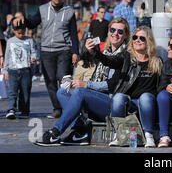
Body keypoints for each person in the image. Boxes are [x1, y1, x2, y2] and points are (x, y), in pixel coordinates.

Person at [34, 18, 129, 146]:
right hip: (95, 97)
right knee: (62, 92)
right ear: (108, 32)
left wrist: (85, 84)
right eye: (112, 30)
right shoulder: (106, 51)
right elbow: (96, 75)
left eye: (120, 31)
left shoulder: (124, 54)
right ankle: (80, 132)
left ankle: (55, 132)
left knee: (80, 91)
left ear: (126, 35)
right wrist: (73, 82)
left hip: (110, 102)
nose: (115, 34)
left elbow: (111, 84)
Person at [14, 0, 79, 119]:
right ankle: (57, 109)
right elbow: (32, 24)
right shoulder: (42, 9)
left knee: (63, 78)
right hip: (46, 50)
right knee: (50, 81)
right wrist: (23, 19)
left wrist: (75, 52)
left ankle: (67, 107)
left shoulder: (69, 11)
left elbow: (74, 33)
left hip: (64, 50)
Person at [95, 26, 162, 148]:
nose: (137, 40)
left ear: (149, 42)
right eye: (135, 37)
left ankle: (149, 135)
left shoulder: (157, 61)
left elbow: (161, 86)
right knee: (118, 97)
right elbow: (110, 61)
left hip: (148, 104)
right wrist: (96, 52)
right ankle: (118, 134)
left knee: (146, 97)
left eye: (142, 38)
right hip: (129, 102)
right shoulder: (126, 57)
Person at [2, 19, 36, 119]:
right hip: (12, 70)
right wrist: (5, 70)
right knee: (13, 90)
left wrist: (33, 58)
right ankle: (11, 108)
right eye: (18, 33)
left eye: (22, 32)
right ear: (13, 31)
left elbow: (33, 51)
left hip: (25, 69)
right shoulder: (10, 41)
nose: (21, 34)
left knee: (25, 91)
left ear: (25, 30)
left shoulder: (29, 40)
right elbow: (7, 55)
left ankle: (24, 110)